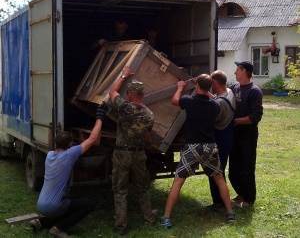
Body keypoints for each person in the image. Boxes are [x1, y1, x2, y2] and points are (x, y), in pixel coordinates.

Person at [161, 74, 235, 229]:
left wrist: (180, 87)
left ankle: (167, 217)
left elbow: (174, 100)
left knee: (178, 182)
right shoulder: (215, 105)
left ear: (197, 86)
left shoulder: (189, 101)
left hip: (192, 147)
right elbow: (210, 96)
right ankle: (230, 214)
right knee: (220, 179)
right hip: (210, 146)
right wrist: (206, 89)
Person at [28, 102, 109, 238]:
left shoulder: (50, 155)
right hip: (54, 206)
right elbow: (93, 138)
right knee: (88, 205)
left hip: (41, 204)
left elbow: (65, 149)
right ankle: (58, 229)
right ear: (70, 144)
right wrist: (100, 116)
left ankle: (40, 222)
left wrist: (72, 145)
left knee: (66, 208)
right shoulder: (70, 154)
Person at [109, 65, 156, 235]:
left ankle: (121, 225)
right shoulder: (149, 114)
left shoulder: (124, 107)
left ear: (129, 95)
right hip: (139, 154)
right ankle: (148, 218)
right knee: (142, 188)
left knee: (120, 190)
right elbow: (146, 138)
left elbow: (112, 92)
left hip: (122, 154)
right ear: (143, 94)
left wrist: (123, 75)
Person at [229, 60, 263, 208]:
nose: (235, 72)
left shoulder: (254, 91)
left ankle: (249, 199)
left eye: (237, 69)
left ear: (244, 71)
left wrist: (236, 121)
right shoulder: (234, 87)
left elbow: (255, 116)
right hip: (234, 134)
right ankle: (240, 194)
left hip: (247, 135)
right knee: (234, 168)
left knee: (247, 167)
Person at [208, 70, 236, 210]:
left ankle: (219, 203)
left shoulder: (219, 103)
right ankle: (221, 201)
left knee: (215, 170)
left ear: (215, 83)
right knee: (220, 169)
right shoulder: (229, 92)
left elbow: (214, 121)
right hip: (228, 135)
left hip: (220, 136)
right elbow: (216, 97)